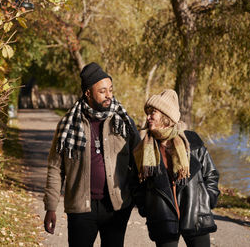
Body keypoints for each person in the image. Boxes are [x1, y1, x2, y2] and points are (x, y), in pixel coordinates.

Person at [43, 62, 140, 247]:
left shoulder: (124, 121)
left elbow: (140, 158)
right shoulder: (67, 125)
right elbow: (55, 168)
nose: (109, 95)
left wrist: (135, 196)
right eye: (102, 91)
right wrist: (51, 207)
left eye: (110, 90)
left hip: (117, 207)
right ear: (88, 93)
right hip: (81, 209)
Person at [132, 89, 220, 247]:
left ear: (166, 117)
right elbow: (138, 184)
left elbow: (211, 174)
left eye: (153, 113)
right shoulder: (144, 149)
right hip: (163, 219)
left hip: (195, 216)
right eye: (148, 113)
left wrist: (207, 200)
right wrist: (147, 209)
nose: (148, 117)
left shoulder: (191, 142)